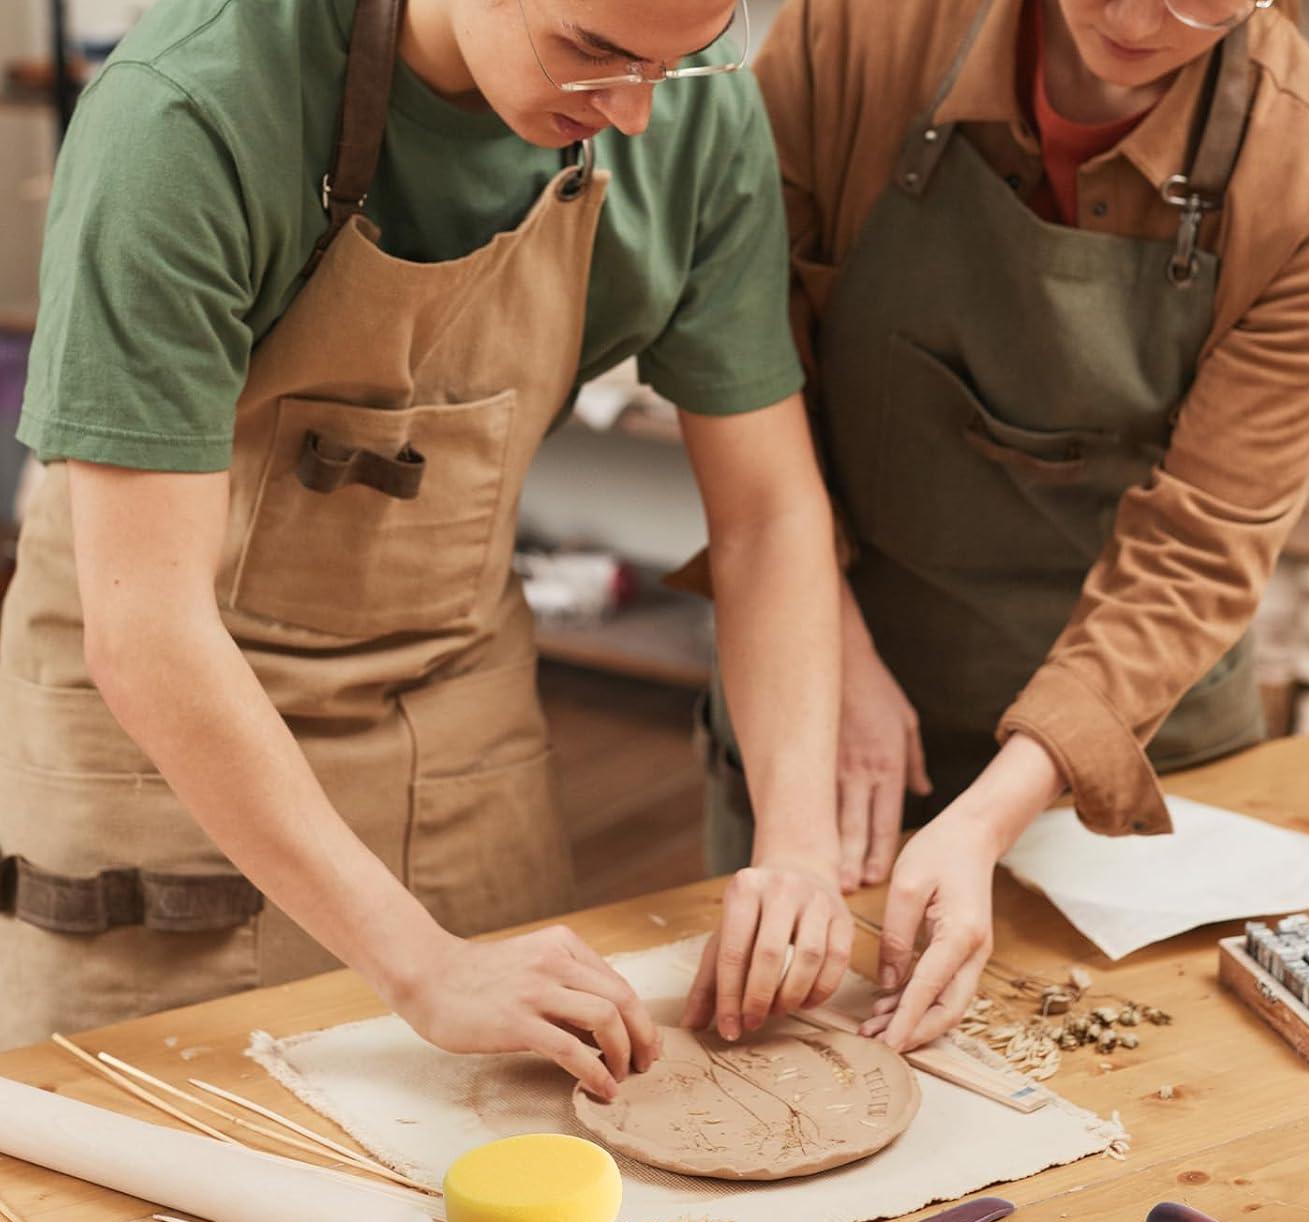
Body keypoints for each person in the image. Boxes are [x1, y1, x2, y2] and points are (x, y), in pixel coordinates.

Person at [0, 0, 855, 1095]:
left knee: (522, 1173)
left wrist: (797, 844)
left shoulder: (689, 115)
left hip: (449, 718)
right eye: (593, 52)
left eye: (678, 63)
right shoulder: (188, 113)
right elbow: (149, 629)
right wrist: (419, 965)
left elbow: (769, 517)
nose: (637, 113)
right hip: (167, 739)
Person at [696, 0, 1309, 1050]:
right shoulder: (857, 31)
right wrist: (829, 651)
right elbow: (738, 362)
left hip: (1131, 738)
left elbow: (1199, 550)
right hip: (828, 672)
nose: (1131, 15)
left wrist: (988, 815)